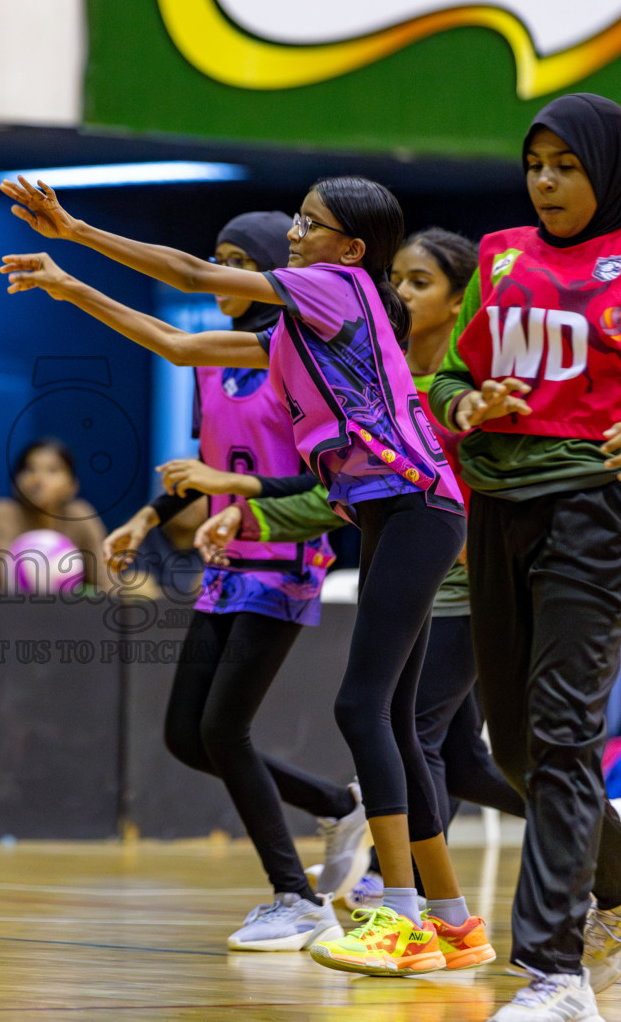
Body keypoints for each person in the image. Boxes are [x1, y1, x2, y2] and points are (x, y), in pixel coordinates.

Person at [1, 173, 492, 977]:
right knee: (396, 722)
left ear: (350, 249)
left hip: (416, 506)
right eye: (296, 219)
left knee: (361, 707)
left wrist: (77, 231)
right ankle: (453, 920)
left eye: (310, 222)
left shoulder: (340, 288)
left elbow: (192, 276)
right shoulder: (303, 331)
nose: (295, 232)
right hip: (395, 513)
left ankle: (400, 917)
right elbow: (180, 344)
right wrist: (71, 287)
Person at [429, 93, 621, 1020]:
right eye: (535, 165)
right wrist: (466, 405)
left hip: (595, 512)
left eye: (566, 165)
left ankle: (555, 976)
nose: (547, 181)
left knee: (563, 735)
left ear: (608, 169)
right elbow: (449, 376)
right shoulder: (499, 256)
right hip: (496, 506)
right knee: (517, 745)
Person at [199, 228, 525, 910]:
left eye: (419, 282)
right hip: (418, 579)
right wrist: (251, 513)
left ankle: (405, 894)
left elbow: (506, 485)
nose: (400, 292)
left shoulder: (467, 388)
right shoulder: (373, 369)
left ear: (460, 301)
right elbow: (344, 489)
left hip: (468, 589)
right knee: (456, 756)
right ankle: (599, 840)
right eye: (396, 278)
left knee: (405, 729)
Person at [100, 211, 365, 951]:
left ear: (267, 272)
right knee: (187, 736)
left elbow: (324, 481)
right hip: (224, 563)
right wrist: (147, 518)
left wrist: (236, 496)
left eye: (237, 260)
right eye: (216, 257)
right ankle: (337, 804)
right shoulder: (211, 361)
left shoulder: (303, 357)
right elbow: (207, 468)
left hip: (284, 558)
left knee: (223, 728)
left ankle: (296, 897)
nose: (222, 272)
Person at [0, 438, 107, 592]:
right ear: (15, 483)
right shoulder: (1, 512)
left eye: (52, 470)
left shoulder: (80, 514)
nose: (39, 479)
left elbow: (106, 580)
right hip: (8, 605)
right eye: (29, 470)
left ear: (72, 485)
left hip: (69, 606)